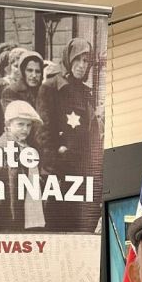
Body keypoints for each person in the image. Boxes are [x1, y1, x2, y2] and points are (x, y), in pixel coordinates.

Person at [37, 37, 103, 232]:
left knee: (81, 228)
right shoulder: (51, 87)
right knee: (57, 227)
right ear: (68, 59)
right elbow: (43, 132)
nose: (82, 65)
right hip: (59, 172)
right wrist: (53, 167)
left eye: (86, 61)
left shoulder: (84, 92)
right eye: (78, 59)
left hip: (82, 171)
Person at [0, 101, 45, 233]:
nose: (25, 129)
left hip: (24, 207)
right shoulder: (1, 147)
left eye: (28, 125)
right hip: (5, 210)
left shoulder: (25, 146)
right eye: (20, 124)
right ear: (8, 125)